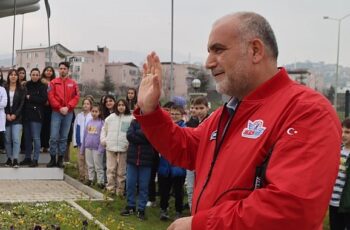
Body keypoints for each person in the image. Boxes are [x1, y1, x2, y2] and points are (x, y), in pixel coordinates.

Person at [134, 12, 341, 230]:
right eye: (209, 52)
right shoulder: (227, 112)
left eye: (218, 50)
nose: (208, 62)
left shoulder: (307, 111)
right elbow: (186, 147)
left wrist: (201, 225)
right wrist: (150, 112)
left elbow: (291, 210)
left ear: (255, 50)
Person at [120, 104, 155, 220]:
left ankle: (141, 209)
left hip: (146, 160)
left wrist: (139, 135)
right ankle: (130, 206)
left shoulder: (152, 124)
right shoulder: (134, 122)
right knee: (130, 184)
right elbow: (129, 135)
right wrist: (143, 136)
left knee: (144, 186)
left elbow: (151, 137)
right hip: (132, 159)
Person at [47, 61, 80, 168]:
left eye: (64, 68)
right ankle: (52, 159)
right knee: (53, 136)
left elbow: (76, 97)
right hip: (56, 112)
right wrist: (60, 107)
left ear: (68, 70)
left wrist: (68, 107)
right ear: (58, 70)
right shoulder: (53, 82)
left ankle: (60, 159)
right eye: (60, 68)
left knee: (64, 137)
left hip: (68, 113)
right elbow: (51, 96)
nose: (62, 70)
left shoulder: (73, 83)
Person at [158, 105, 187, 221]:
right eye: (172, 114)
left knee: (178, 191)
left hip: (178, 165)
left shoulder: (184, 128)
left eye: (177, 114)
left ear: (182, 115)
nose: (174, 116)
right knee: (163, 190)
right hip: (164, 163)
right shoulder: (165, 127)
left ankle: (178, 211)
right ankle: (163, 210)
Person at [100, 98, 133, 196]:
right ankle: (110, 189)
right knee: (110, 169)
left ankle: (120, 191)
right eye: (119, 105)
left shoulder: (130, 118)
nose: (121, 107)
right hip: (110, 147)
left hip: (124, 148)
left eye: (123, 105)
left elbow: (132, 133)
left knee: (121, 171)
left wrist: (129, 143)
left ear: (126, 106)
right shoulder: (110, 117)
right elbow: (103, 130)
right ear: (116, 107)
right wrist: (104, 141)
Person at [185, 96, 209, 212]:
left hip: (205, 161)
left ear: (207, 108)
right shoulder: (191, 122)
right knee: (190, 188)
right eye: (196, 108)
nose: (198, 111)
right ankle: (192, 215)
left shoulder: (211, 122)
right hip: (192, 159)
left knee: (203, 189)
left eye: (201, 108)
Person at [21, 68, 48, 167]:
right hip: (26, 115)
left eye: (37, 75)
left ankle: (35, 159)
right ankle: (27, 158)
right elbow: (22, 97)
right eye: (33, 74)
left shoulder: (42, 86)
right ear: (30, 75)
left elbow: (43, 99)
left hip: (37, 116)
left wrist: (30, 97)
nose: (35, 76)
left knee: (36, 138)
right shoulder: (26, 85)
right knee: (27, 138)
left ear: (39, 76)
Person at [329, 118, 350, 230]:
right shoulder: (337, 150)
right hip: (334, 201)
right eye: (342, 131)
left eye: (347, 132)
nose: (343, 135)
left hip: (347, 204)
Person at [4, 69, 26, 168]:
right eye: (11, 75)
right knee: (7, 139)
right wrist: (7, 114)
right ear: (8, 76)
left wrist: (15, 115)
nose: (13, 76)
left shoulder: (22, 89)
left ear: (18, 77)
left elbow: (22, 104)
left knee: (16, 139)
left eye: (15, 75)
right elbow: (3, 103)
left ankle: (15, 159)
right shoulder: (4, 88)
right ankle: (9, 158)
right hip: (6, 118)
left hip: (17, 118)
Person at [81, 104, 105, 188]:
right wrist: (82, 149)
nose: (94, 113)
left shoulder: (102, 123)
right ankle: (90, 179)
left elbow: (103, 137)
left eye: (96, 111)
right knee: (90, 165)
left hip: (97, 148)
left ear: (100, 112)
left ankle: (100, 182)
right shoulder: (89, 122)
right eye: (93, 111)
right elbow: (85, 136)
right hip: (88, 147)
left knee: (98, 166)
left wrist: (100, 149)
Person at [73, 98, 93, 182]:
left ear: (91, 105)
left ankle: (88, 177)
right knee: (80, 160)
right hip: (80, 142)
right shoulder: (79, 116)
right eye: (84, 103)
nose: (85, 105)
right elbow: (75, 128)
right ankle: (81, 176)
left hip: (88, 143)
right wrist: (75, 141)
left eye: (88, 104)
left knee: (87, 161)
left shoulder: (92, 116)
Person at [40, 66, 56, 153]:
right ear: (44, 72)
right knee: (41, 126)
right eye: (47, 70)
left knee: (48, 127)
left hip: (51, 107)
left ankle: (46, 145)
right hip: (41, 106)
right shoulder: (41, 81)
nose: (49, 72)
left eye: (50, 71)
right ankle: (41, 145)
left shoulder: (55, 82)